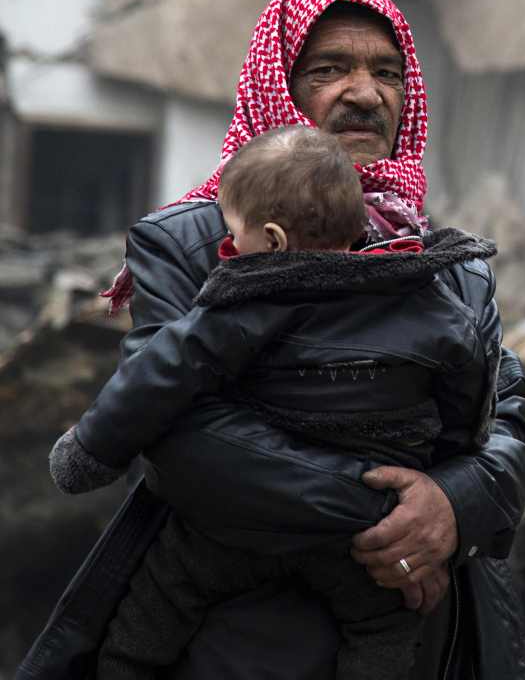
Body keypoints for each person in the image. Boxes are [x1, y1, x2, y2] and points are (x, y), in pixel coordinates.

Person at [18, 0, 525, 680]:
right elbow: (183, 437)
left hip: (426, 634)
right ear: (277, 86)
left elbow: (506, 412)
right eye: (330, 68)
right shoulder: (190, 243)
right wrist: (396, 515)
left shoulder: (442, 258)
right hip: (240, 635)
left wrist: (456, 505)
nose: (366, 93)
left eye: (387, 72)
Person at [50, 125, 499, 680]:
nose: (226, 251)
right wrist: (437, 487)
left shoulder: (243, 303)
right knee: (384, 630)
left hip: (229, 537)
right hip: (362, 548)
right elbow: (475, 391)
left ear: (273, 241)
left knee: (154, 604)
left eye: (232, 237)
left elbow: (160, 378)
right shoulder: (424, 289)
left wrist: (88, 450)